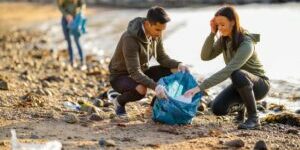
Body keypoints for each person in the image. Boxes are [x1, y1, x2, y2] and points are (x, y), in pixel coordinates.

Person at [184, 6, 270, 130]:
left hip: (260, 85)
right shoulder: (224, 39)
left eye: (222, 25)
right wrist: (212, 33)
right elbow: (205, 56)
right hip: (240, 83)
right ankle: (242, 107)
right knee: (217, 109)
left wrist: (199, 88)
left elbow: (229, 70)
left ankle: (254, 118)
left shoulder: (247, 43)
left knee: (236, 73)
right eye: (217, 25)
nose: (219, 28)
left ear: (233, 22)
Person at [109, 6, 189, 117]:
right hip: (120, 76)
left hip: (142, 72)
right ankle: (119, 101)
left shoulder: (155, 34)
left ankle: (153, 107)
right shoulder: (129, 38)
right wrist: (155, 86)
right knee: (141, 90)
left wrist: (179, 64)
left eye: (162, 30)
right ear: (147, 24)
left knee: (177, 72)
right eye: (158, 30)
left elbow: (162, 57)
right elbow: (134, 71)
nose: (160, 34)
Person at [57, 0, 86, 67]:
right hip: (65, 20)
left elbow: (83, 5)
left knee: (77, 41)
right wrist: (67, 15)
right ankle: (72, 61)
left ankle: (82, 61)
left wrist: (79, 13)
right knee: (68, 41)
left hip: (76, 19)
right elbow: (60, 6)